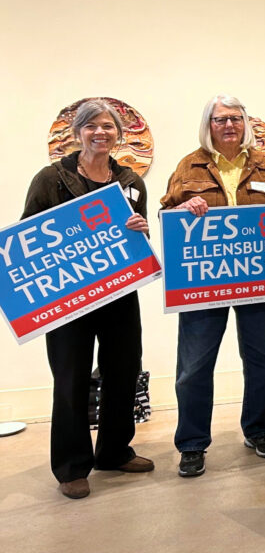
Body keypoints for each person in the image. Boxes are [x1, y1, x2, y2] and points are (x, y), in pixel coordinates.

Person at [23, 100, 153, 499]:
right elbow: (28, 236)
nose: (101, 133)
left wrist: (140, 228)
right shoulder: (50, 178)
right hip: (67, 299)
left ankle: (113, 451)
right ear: (77, 133)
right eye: (92, 126)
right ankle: (71, 467)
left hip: (118, 294)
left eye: (109, 127)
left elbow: (139, 239)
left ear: (119, 134)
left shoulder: (130, 180)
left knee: (123, 371)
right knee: (71, 379)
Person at [162, 94, 265, 478]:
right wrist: (181, 210)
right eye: (220, 119)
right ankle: (191, 443)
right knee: (193, 367)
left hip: (257, 279)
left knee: (264, 361)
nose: (229, 126)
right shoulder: (189, 165)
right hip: (202, 282)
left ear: (245, 123)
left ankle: (257, 430)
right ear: (209, 124)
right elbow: (166, 211)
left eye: (235, 119)